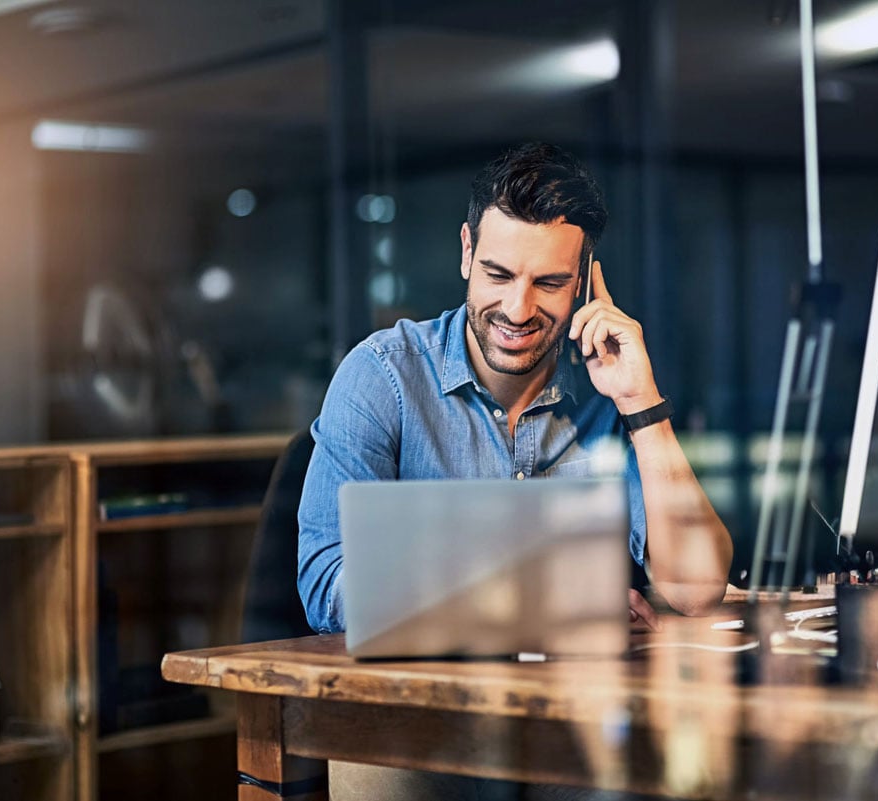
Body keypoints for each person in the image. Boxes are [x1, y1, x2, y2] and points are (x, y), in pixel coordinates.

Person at [297, 142, 732, 800]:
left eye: (549, 282)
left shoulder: (604, 394)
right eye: (498, 273)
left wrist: (641, 401)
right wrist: (548, 596)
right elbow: (328, 588)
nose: (519, 308)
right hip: (429, 740)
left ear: (585, 279)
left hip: (582, 740)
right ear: (467, 251)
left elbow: (696, 585)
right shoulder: (382, 376)